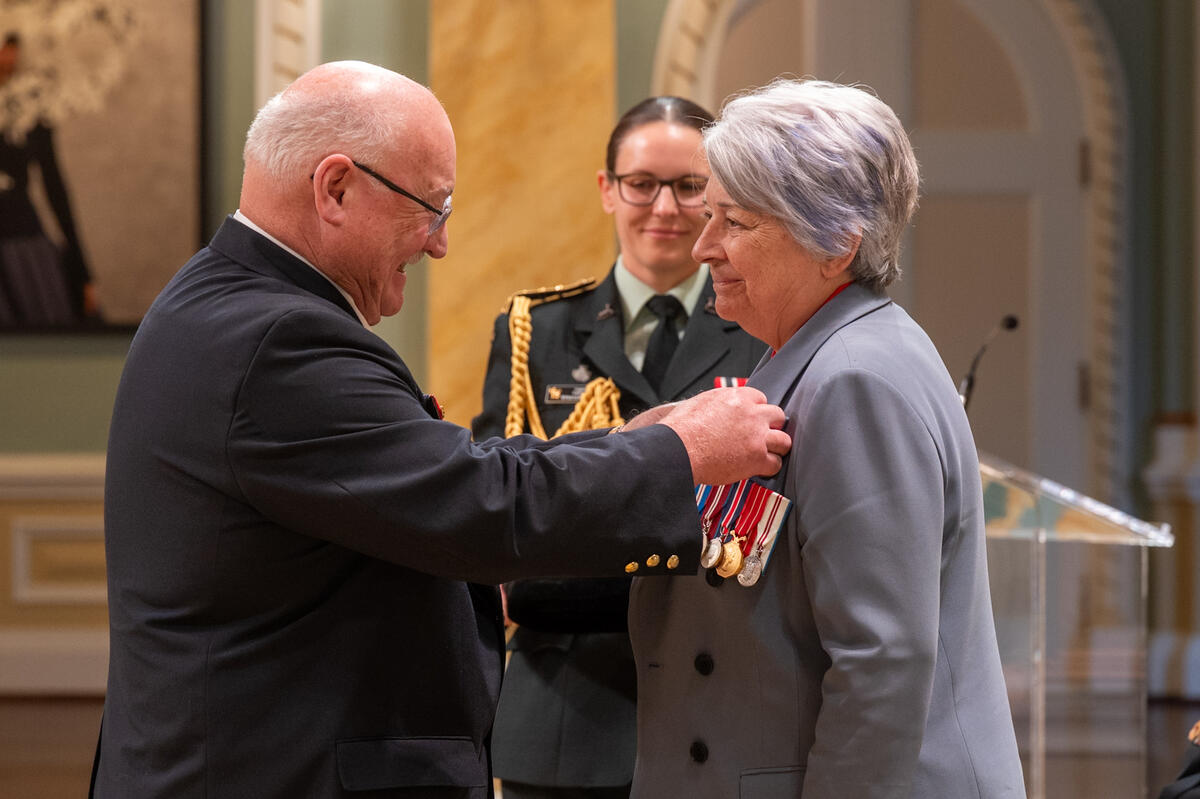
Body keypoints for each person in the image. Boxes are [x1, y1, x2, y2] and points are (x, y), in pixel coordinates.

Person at [92, 61, 791, 799]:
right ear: (335, 188)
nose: (439, 244)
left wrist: (630, 440)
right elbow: (477, 503)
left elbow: (452, 467)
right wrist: (680, 454)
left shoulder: (233, 304)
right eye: (432, 206)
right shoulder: (279, 340)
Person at [627, 79, 1026, 798]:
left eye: (736, 223)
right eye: (709, 215)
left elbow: (881, 661)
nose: (706, 245)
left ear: (836, 245)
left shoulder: (855, 378)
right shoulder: (814, 352)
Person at [473, 97, 767, 799]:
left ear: (719, 194)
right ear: (608, 190)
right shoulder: (534, 331)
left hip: (723, 703)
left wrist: (575, 558)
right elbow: (500, 542)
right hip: (568, 717)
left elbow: (757, 545)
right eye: (642, 183)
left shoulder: (763, 330)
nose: (664, 207)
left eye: (690, 185)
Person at [0, 31, 98, 326]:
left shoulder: (32, 101)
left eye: (13, 46)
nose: (8, 56)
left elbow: (54, 185)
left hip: (22, 242)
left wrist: (83, 272)